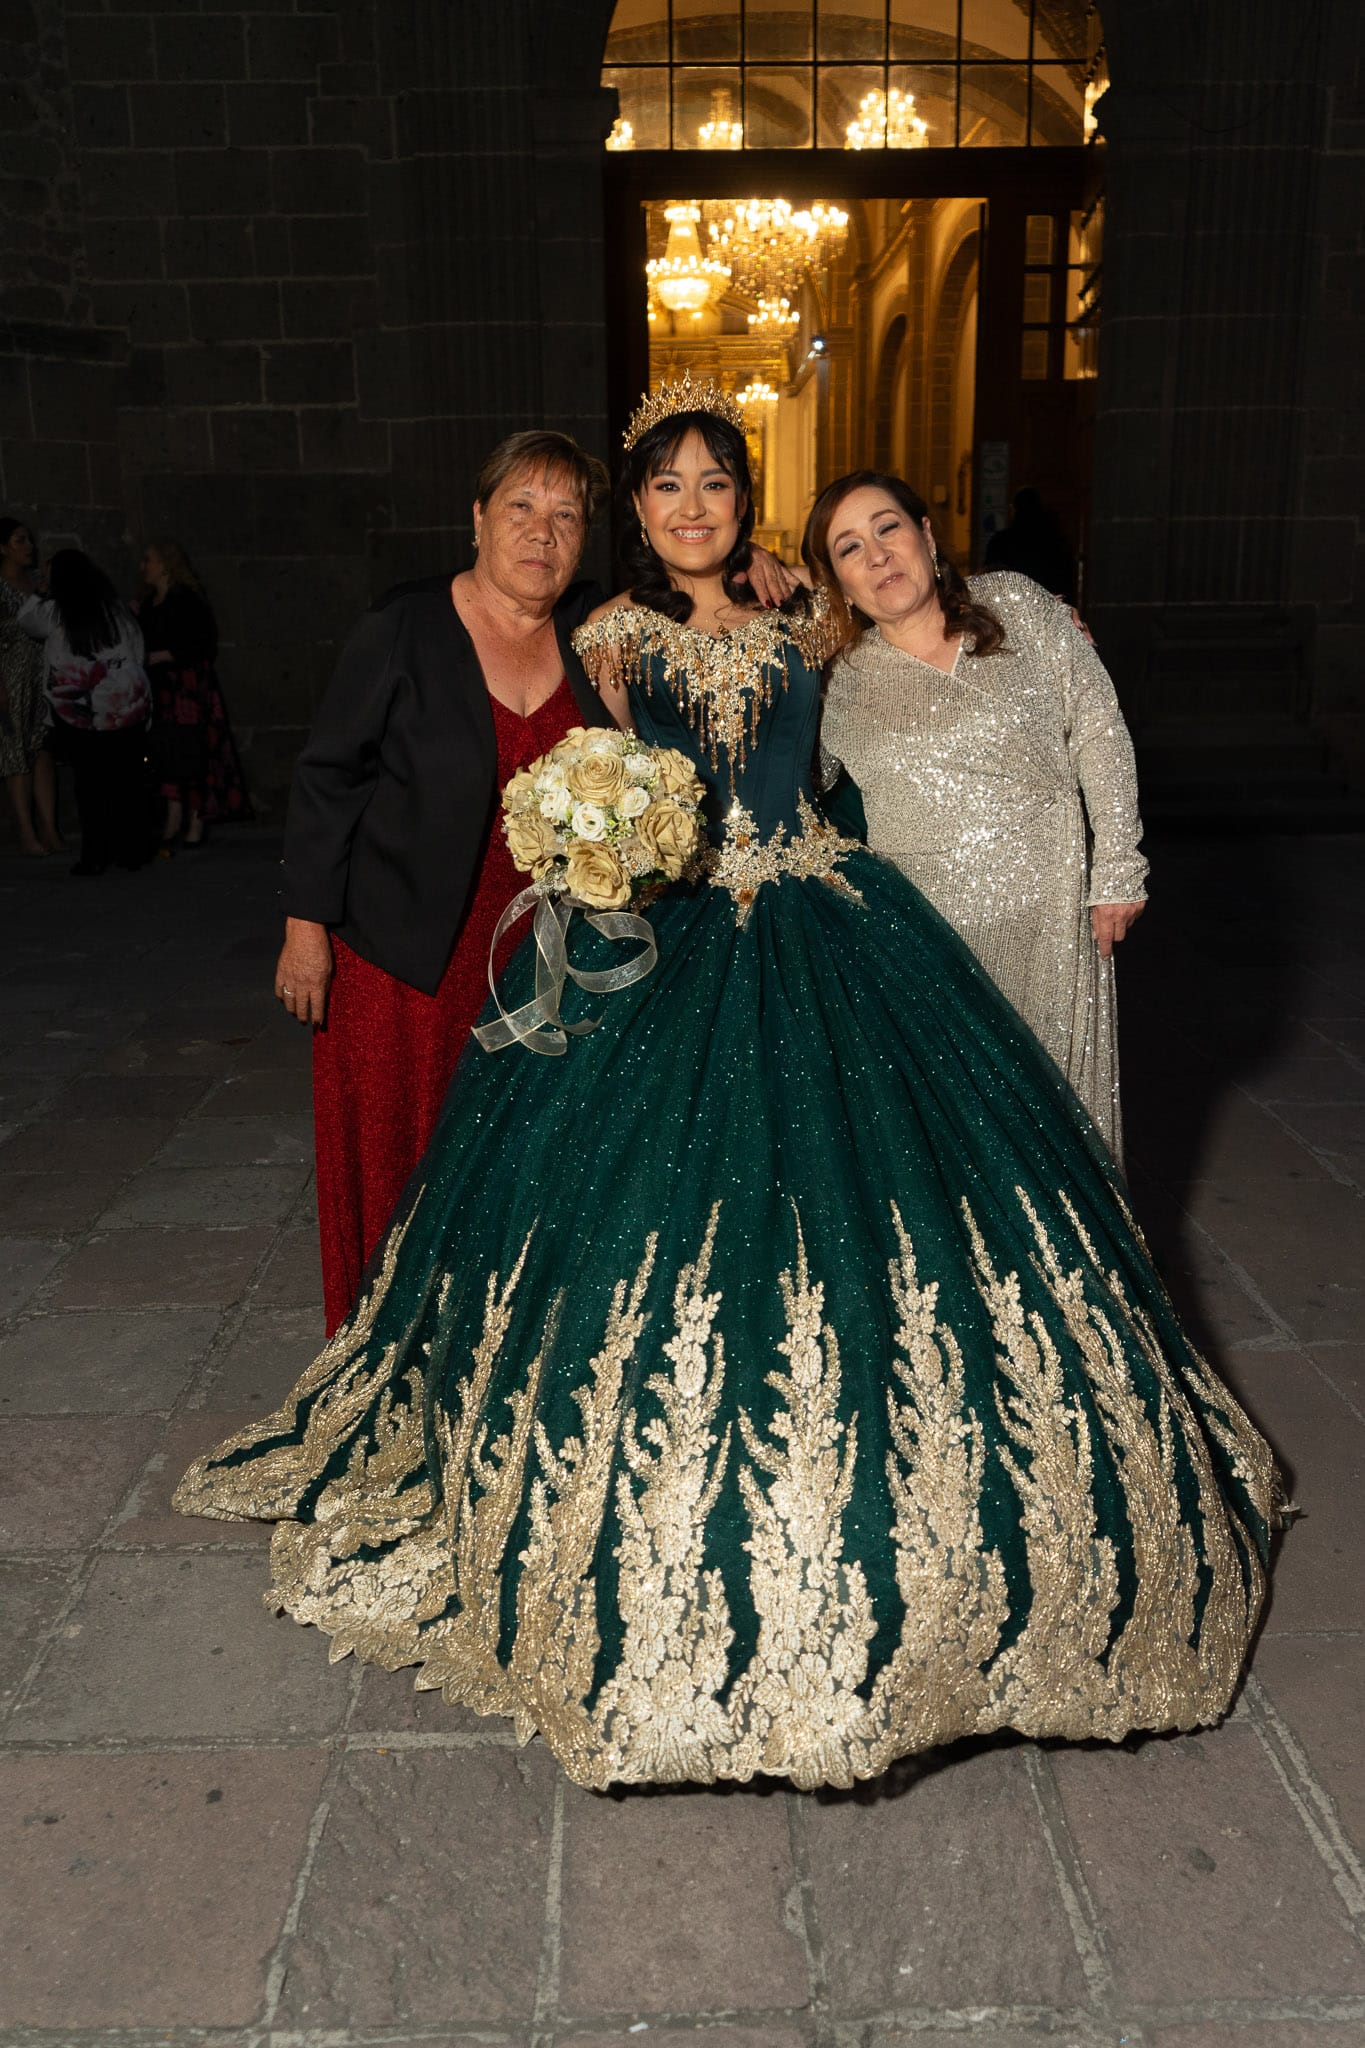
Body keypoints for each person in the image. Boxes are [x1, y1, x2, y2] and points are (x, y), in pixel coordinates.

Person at [176, 381, 1275, 1793]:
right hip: (671, 932)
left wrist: (1034, 648)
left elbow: (914, 658)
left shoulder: (808, 615)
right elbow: (572, 764)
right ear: (636, 514)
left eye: (716, 483)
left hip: (828, 915)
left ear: (747, 505)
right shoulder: (607, 636)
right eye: (666, 486)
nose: (692, 507)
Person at [279, 428, 797, 1338]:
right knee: (400, 1163)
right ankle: (381, 1356)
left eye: (564, 516)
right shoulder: (403, 626)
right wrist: (305, 929)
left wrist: (751, 560)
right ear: (478, 518)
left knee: (510, 1167)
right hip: (400, 959)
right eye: (520, 507)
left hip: (538, 960)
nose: (540, 532)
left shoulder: (589, 628)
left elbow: (687, 584)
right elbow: (328, 777)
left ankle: (484, 1356)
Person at [806, 472, 1146, 1161]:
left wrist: (1118, 862)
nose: (877, 554)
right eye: (849, 548)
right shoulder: (839, 681)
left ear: (926, 535)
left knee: (1061, 1125)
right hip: (925, 945)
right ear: (837, 582)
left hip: (1054, 921)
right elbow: (792, 784)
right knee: (958, 1143)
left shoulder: (1017, 604)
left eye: (887, 527)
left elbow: (1097, 726)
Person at [19, 550, 151, 876]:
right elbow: (137, 653)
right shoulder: (116, 611)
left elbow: (26, 621)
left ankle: (96, 854)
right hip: (123, 708)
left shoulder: (56, 612)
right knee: (126, 782)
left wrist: (40, 591)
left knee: (90, 786)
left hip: (82, 712)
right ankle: (130, 850)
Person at [140, 538, 250, 847]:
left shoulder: (186, 600)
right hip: (162, 690)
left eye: (148, 559)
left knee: (192, 750)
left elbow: (202, 644)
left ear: (164, 564)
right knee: (168, 752)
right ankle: (174, 816)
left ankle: (197, 818)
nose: (143, 567)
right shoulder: (149, 604)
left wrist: (167, 655)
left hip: (187, 689)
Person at [0, 518, 61, 856]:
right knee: (17, 752)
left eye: (29, 539)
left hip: (43, 672)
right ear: (3, 547)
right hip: (11, 675)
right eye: (20, 540)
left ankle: (49, 828)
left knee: (44, 750)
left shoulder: (38, 582)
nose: (29, 547)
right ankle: (27, 831)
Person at [984, 485, 1076, 601]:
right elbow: (1066, 581)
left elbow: (989, 577)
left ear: (1014, 509)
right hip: (1046, 602)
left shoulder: (1000, 541)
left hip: (1011, 602)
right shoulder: (1056, 542)